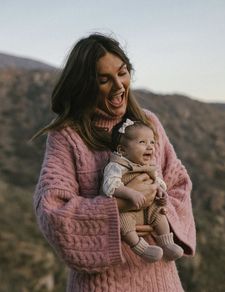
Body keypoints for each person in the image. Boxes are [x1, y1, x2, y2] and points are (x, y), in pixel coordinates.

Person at [33, 33, 196, 292]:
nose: (119, 86)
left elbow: (178, 183)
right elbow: (52, 212)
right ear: (85, 85)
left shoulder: (149, 124)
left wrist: (158, 206)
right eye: (104, 80)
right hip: (101, 285)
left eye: (122, 73)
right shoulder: (67, 136)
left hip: (161, 280)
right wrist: (119, 205)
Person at [102, 118, 184, 263]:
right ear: (122, 150)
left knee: (159, 213)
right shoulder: (116, 166)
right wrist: (130, 193)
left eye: (152, 142)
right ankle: (141, 248)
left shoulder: (148, 167)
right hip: (127, 210)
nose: (150, 147)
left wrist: (161, 193)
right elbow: (110, 185)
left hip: (147, 207)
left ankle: (167, 243)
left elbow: (157, 182)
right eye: (142, 142)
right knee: (123, 222)